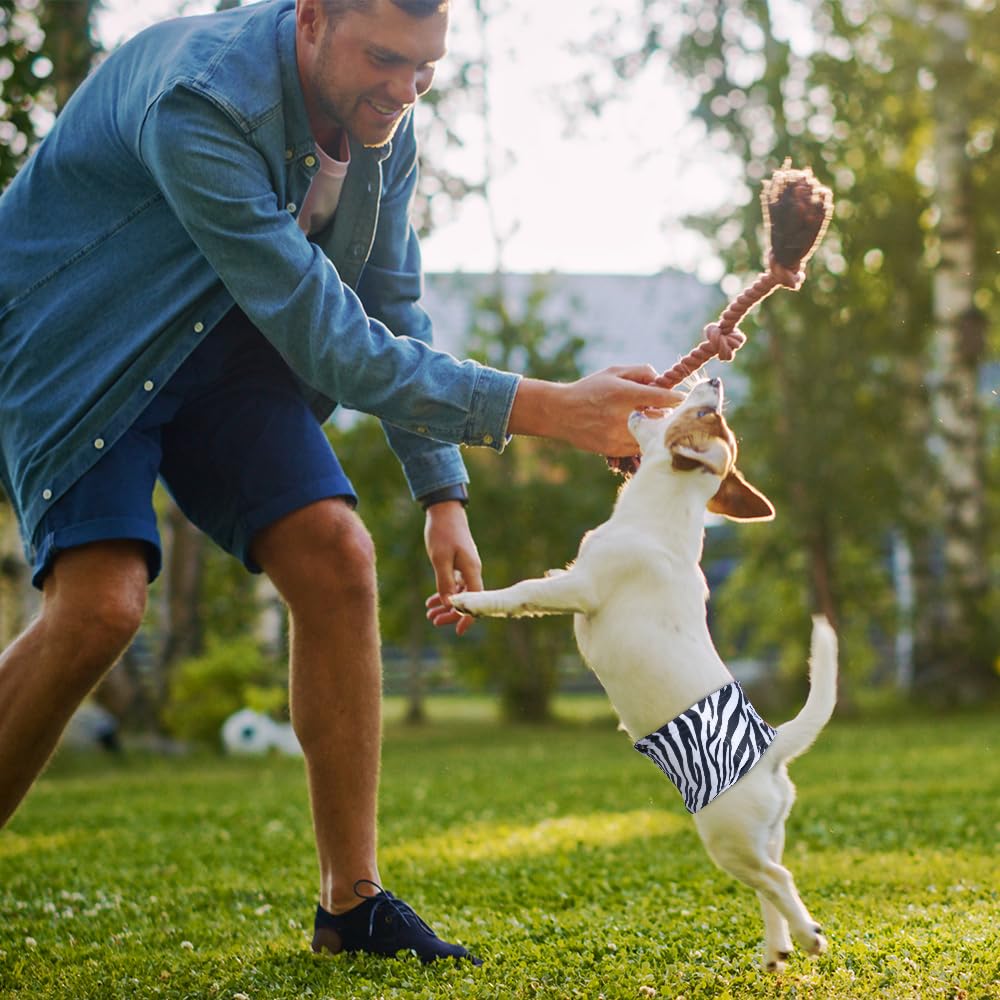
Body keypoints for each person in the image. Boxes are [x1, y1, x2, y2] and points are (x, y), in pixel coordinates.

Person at [0, 0, 681, 965]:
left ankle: (351, 907)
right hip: (78, 340)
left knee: (337, 556)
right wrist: (554, 409)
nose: (405, 91)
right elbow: (327, 336)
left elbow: (389, 303)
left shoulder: (381, 125)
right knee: (102, 606)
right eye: (385, 60)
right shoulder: (202, 100)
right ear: (312, 19)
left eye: (426, 69)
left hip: (226, 350)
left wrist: (442, 493)